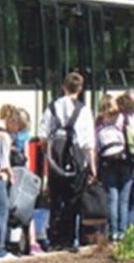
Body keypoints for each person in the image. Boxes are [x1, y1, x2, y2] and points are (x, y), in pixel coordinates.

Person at [39, 72, 96, 250]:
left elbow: (43, 137)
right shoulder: (84, 110)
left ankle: (55, 239)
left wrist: (50, 157)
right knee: (74, 200)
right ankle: (70, 238)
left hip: (56, 162)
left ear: (63, 87)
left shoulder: (52, 108)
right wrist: (93, 168)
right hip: (77, 163)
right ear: (79, 89)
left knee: (56, 199)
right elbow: (89, 143)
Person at [0, 104, 23, 261]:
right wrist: (11, 174)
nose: (18, 131)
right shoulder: (4, 136)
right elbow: (2, 162)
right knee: (2, 212)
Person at [96, 95, 134, 242]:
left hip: (107, 162)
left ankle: (113, 232)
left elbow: (96, 144)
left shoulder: (99, 121)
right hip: (125, 160)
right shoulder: (122, 118)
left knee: (112, 198)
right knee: (124, 199)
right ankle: (122, 232)